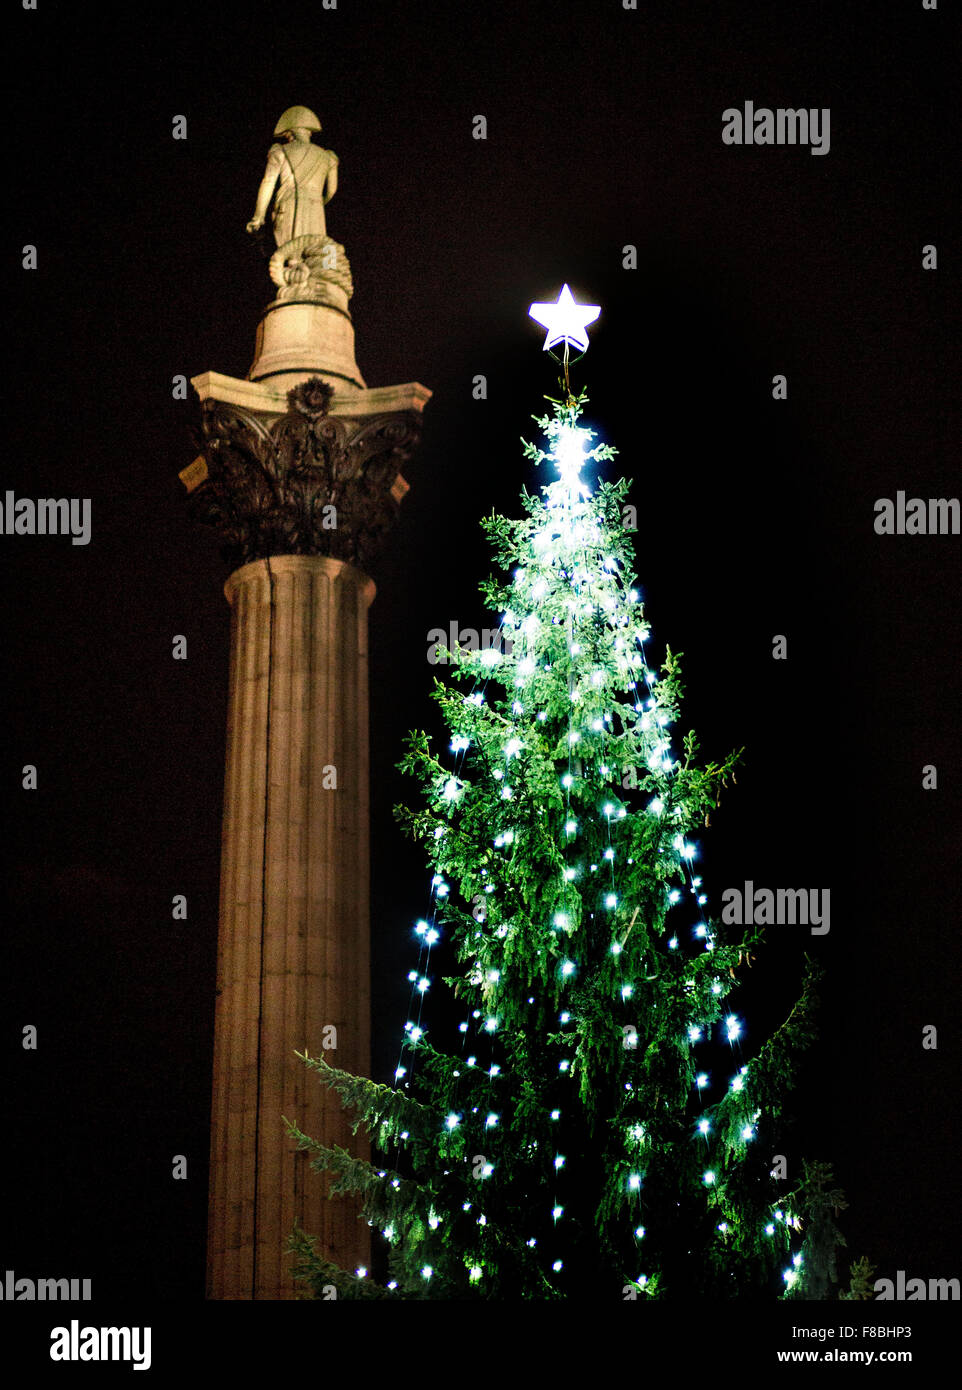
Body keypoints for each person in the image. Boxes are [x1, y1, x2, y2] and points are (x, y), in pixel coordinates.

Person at [246, 106, 339, 248]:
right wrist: (319, 202)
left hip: (288, 207)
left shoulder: (280, 151)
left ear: (292, 132)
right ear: (308, 132)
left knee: (290, 253)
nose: (287, 137)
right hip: (316, 211)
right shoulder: (328, 157)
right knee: (316, 253)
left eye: (287, 135)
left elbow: (268, 182)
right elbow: (331, 191)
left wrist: (258, 217)